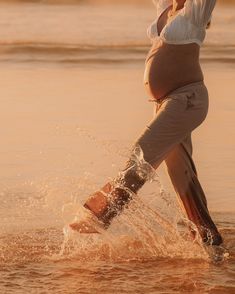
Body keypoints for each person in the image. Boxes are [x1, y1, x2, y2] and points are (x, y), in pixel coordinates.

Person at [70, 0, 223, 247]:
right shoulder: (166, 7)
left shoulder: (196, 11)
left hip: (187, 100)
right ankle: (208, 239)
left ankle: (101, 215)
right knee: (182, 176)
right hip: (165, 103)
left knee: (142, 152)